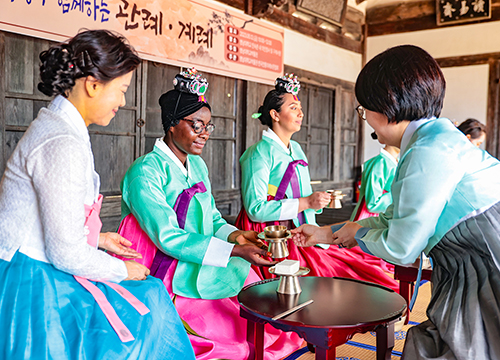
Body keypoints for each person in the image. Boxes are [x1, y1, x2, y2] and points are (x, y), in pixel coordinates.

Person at [292, 45, 500, 359]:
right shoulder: (434, 137)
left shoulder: (424, 152)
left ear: (386, 106)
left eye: (364, 110)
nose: (367, 121)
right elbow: (394, 215)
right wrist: (329, 233)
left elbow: (402, 247)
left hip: (484, 263)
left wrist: (356, 234)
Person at [0, 30, 194, 359]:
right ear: (92, 85)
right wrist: (121, 270)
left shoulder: (61, 128)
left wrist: (101, 239)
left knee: (148, 296)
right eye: (120, 90)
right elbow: (65, 253)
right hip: (35, 281)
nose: (122, 102)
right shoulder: (61, 142)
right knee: (147, 305)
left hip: (39, 267)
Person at [116, 68, 302, 360]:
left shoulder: (197, 166)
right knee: (235, 344)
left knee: (257, 295)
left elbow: (213, 218)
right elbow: (167, 237)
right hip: (164, 268)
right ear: (172, 124)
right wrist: (233, 251)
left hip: (202, 254)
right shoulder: (145, 172)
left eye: (208, 127)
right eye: (196, 125)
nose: (204, 134)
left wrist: (237, 235)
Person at [236, 74, 398, 292]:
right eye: (293, 107)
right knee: (330, 280)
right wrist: (306, 202)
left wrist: (317, 201)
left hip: (299, 228)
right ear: (275, 114)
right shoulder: (258, 154)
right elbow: (255, 210)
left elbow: (303, 197)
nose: (300, 113)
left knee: (358, 271)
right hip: (274, 234)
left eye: (299, 108)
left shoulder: (297, 149)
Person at [350, 134, 400, 221]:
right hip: (370, 218)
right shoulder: (380, 163)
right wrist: (399, 194)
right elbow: (373, 204)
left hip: (385, 216)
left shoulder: (394, 162)